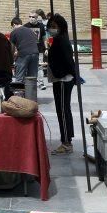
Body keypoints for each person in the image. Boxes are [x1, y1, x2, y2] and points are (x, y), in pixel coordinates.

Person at [46, 14, 77, 155]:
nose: (52, 29)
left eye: (54, 27)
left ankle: (66, 143)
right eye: (50, 26)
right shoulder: (58, 39)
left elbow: (69, 60)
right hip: (60, 79)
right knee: (62, 110)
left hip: (64, 79)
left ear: (60, 27)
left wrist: (75, 76)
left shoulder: (61, 40)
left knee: (63, 110)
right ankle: (66, 139)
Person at [10, 17, 40, 84]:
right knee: (32, 78)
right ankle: (31, 94)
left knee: (19, 78)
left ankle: (19, 94)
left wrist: (11, 59)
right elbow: (33, 42)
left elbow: (12, 48)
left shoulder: (14, 32)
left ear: (14, 24)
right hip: (35, 53)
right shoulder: (30, 31)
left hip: (23, 54)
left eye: (12, 27)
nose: (12, 28)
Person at [25, 10, 47, 90]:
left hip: (39, 49)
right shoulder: (26, 26)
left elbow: (44, 38)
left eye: (33, 17)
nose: (31, 18)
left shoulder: (41, 26)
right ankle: (30, 83)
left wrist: (46, 48)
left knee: (40, 67)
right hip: (28, 50)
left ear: (37, 18)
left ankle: (41, 83)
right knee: (29, 67)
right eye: (30, 16)